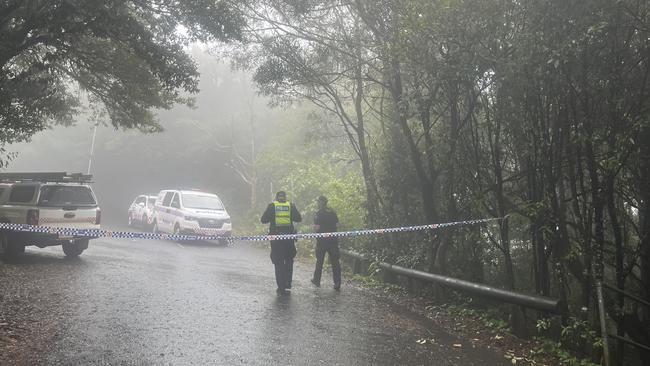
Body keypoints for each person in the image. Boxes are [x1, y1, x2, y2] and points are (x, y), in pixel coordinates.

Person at [261, 191, 302, 294]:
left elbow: (263, 220)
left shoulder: (272, 206)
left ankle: (281, 286)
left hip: (276, 239)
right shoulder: (290, 206)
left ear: (276, 197)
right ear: (285, 197)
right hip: (289, 238)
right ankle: (288, 282)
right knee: (289, 260)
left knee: (278, 262)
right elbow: (299, 218)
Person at [311, 195, 341, 290]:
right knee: (335, 262)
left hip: (322, 241)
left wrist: (316, 231)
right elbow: (337, 223)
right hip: (333, 240)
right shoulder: (332, 211)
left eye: (318, 202)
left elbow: (317, 227)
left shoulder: (319, 213)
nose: (317, 203)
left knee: (319, 261)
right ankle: (337, 282)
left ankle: (316, 280)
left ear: (321, 202)